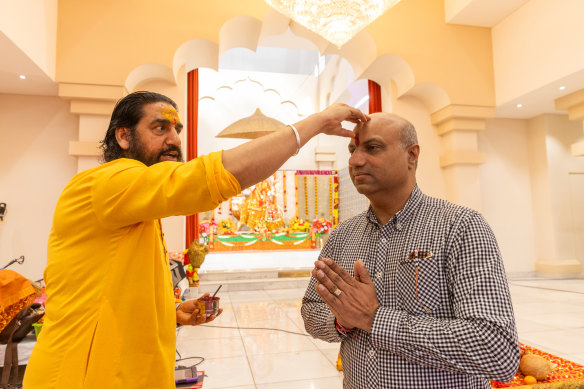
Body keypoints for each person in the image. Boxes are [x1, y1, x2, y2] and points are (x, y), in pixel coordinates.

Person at [24, 91, 369, 389]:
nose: (174, 139)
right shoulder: (104, 183)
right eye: (160, 127)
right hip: (83, 376)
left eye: (177, 129)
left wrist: (172, 313)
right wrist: (314, 124)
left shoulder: (134, 201)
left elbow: (112, 288)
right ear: (124, 137)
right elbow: (210, 178)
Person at [301, 113, 520, 388]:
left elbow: (496, 351)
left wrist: (374, 319)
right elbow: (311, 310)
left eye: (372, 147)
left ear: (412, 155)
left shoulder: (460, 227)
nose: (355, 161)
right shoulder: (343, 236)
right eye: (352, 150)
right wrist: (341, 321)